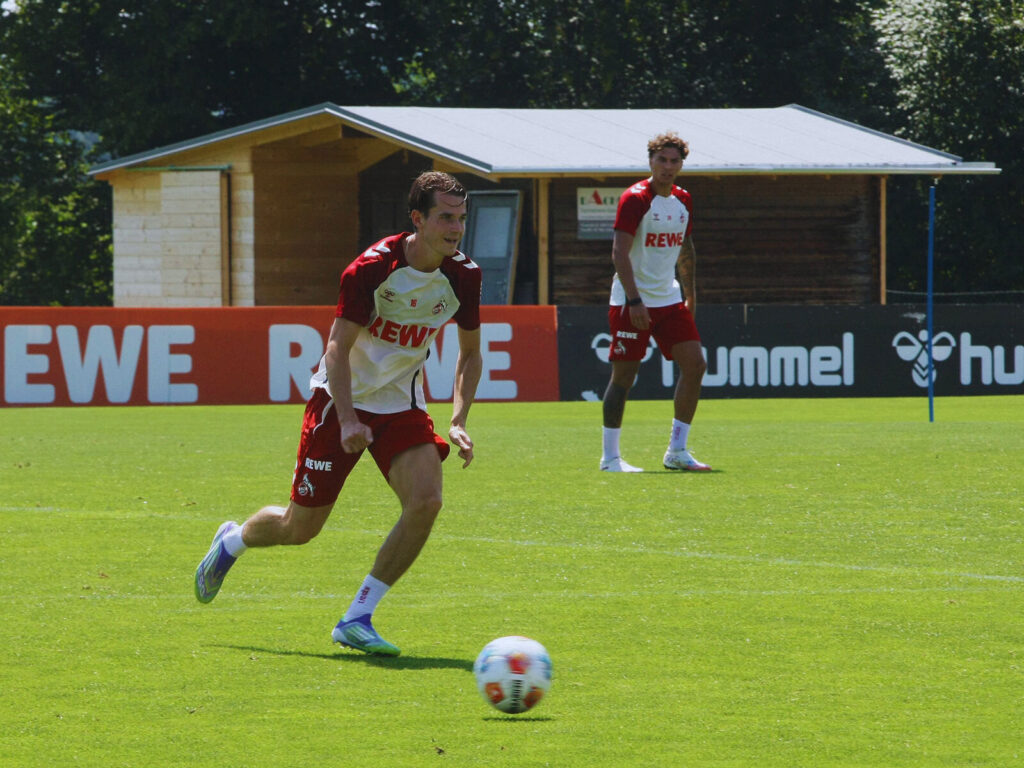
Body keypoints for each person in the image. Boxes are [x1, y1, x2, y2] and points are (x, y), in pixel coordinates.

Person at [194, 171, 483, 656]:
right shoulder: (371, 268)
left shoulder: (464, 275)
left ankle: (357, 617)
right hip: (339, 400)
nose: (456, 229)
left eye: (461, 218)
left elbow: (470, 354)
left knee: (426, 501)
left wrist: (458, 419)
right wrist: (348, 418)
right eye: (445, 218)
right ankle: (232, 542)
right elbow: (336, 349)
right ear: (418, 219)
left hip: (401, 405)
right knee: (299, 529)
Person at [599, 132, 711, 473]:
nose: (667, 166)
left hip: (669, 299)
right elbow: (619, 252)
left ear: (681, 165)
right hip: (631, 301)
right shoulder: (635, 198)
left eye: (674, 161)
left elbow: (686, 248)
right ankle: (610, 458)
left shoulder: (683, 199)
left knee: (695, 365)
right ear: (650, 161)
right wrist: (634, 300)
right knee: (624, 377)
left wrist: (690, 294)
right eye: (661, 160)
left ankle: (677, 451)